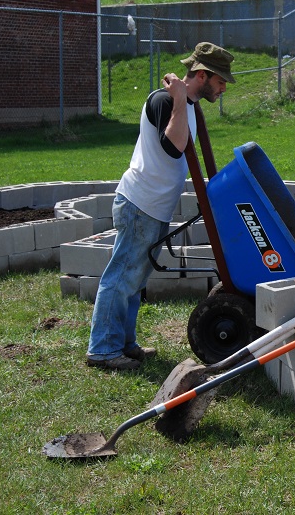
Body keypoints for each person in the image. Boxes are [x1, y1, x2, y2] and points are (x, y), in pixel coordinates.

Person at [86, 42, 236, 370]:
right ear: (201, 75)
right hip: (140, 203)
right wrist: (180, 99)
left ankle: (124, 344)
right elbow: (173, 147)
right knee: (122, 276)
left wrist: (185, 101)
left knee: (135, 280)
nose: (224, 87)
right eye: (221, 80)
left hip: (152, 207)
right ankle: (102, 349)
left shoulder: (187, 106)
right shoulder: (164, 100)